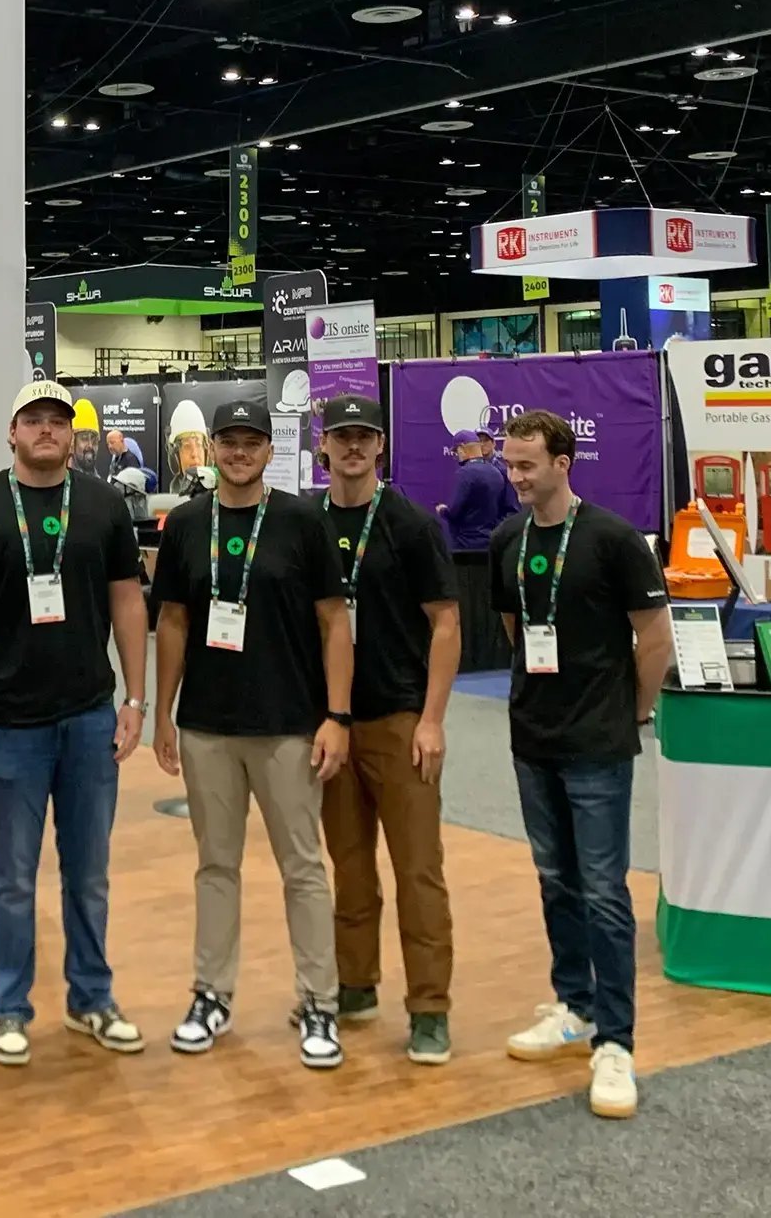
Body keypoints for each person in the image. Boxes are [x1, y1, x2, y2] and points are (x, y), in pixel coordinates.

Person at [0, 380, 150, 1066]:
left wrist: (135, 700)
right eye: (32, 420)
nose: (46, 431)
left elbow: (127, 601)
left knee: (89, 874)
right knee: (10, 879)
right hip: (4, 725)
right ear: (11, 433)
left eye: (57, 422)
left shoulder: (102, 505)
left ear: (73, 434)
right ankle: (8, 1008)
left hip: (90, 718)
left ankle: (92, 997)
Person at [151, 400, 354, 1070]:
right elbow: (174, 622)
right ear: (212, 448)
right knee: (216, 866)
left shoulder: (302, 521)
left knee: (303, 867)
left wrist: (337, 716)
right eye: (229, 442)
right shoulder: (185, 525)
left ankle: (319, 1001)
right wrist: (163, 713)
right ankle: (211, 994)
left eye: (252, 442)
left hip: (289, 726)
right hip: (208, 725)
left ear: (270, 450)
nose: (240, 453)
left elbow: (334, 623)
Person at [489, 409, 672, 1121]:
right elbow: (514, 627)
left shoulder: (614, 540)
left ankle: (616, 1042)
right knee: (555, 878)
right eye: (510, 463)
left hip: (599, 742)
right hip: (532, 737)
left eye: (528, 464)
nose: (516, 475)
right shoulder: (508, 538)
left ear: (564, 462)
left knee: (603, 889)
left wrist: (633, 712)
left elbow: (652, 638)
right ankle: (573, 1004)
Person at [314, 395, 461, 1065]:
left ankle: (430, 1009)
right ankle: (355, 986)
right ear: (324, 445)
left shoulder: (408, 524)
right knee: (348, 867)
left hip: (400, 721)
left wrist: (432, 719)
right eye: (341, 436)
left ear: (380, 448)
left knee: (417, 871)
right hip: (334, 723)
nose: (352, 447)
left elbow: (447, 624)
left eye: (363, 437)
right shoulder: (304, 522)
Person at [439, 430, 514, 548]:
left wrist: (443, 511)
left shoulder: (465, 473)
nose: (456, 455)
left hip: (466, 543)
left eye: (456, 451)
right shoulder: (496, 472)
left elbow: (454, 511)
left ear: (461, 449)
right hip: (490, 541)